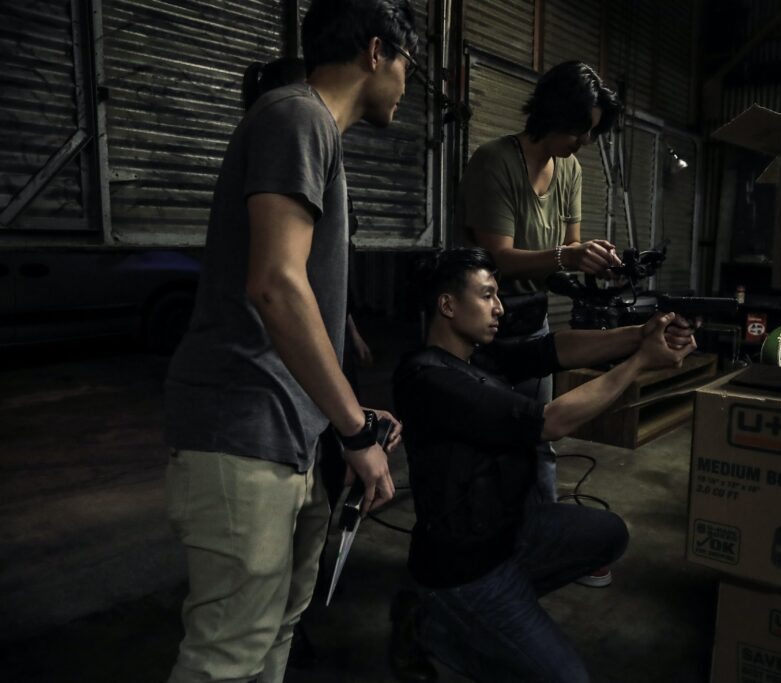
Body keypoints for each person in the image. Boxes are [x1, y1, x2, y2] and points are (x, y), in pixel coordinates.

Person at [162, 2, 419, 682]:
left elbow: (301, 288)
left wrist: (344, 415)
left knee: (277, 631)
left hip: (290, 431)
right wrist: (356, 429)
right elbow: (275, 284)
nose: (406, 87)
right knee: (226, 655)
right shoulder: (296, 116)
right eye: (407, 67)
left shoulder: (314, 131)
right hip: (244, 426)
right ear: (375, 52)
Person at [391, 247, 697, 683]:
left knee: (609, 534)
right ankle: (434, 623)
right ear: (448, 305)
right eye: (487, 295)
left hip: (510, 532)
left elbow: (553, 350)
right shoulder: (428, 378)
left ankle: (495, 613)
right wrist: (640, 363)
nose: (499, 307)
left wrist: (639, 334)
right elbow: (549, 422)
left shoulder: (475, 354)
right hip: (464, 569)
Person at [455, 63, 625, 586]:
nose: (586, 140)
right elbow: (500, 260)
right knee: (477, 445)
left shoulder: (569, 169)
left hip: (530, 323)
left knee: (538, 441)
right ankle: (471, 554)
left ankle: (545, 545)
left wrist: (593, 266)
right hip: (478, 329)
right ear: (552, 115)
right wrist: (569, 256)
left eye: (593, 130)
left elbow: (561, 258)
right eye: (580, 129)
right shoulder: (494, 163)